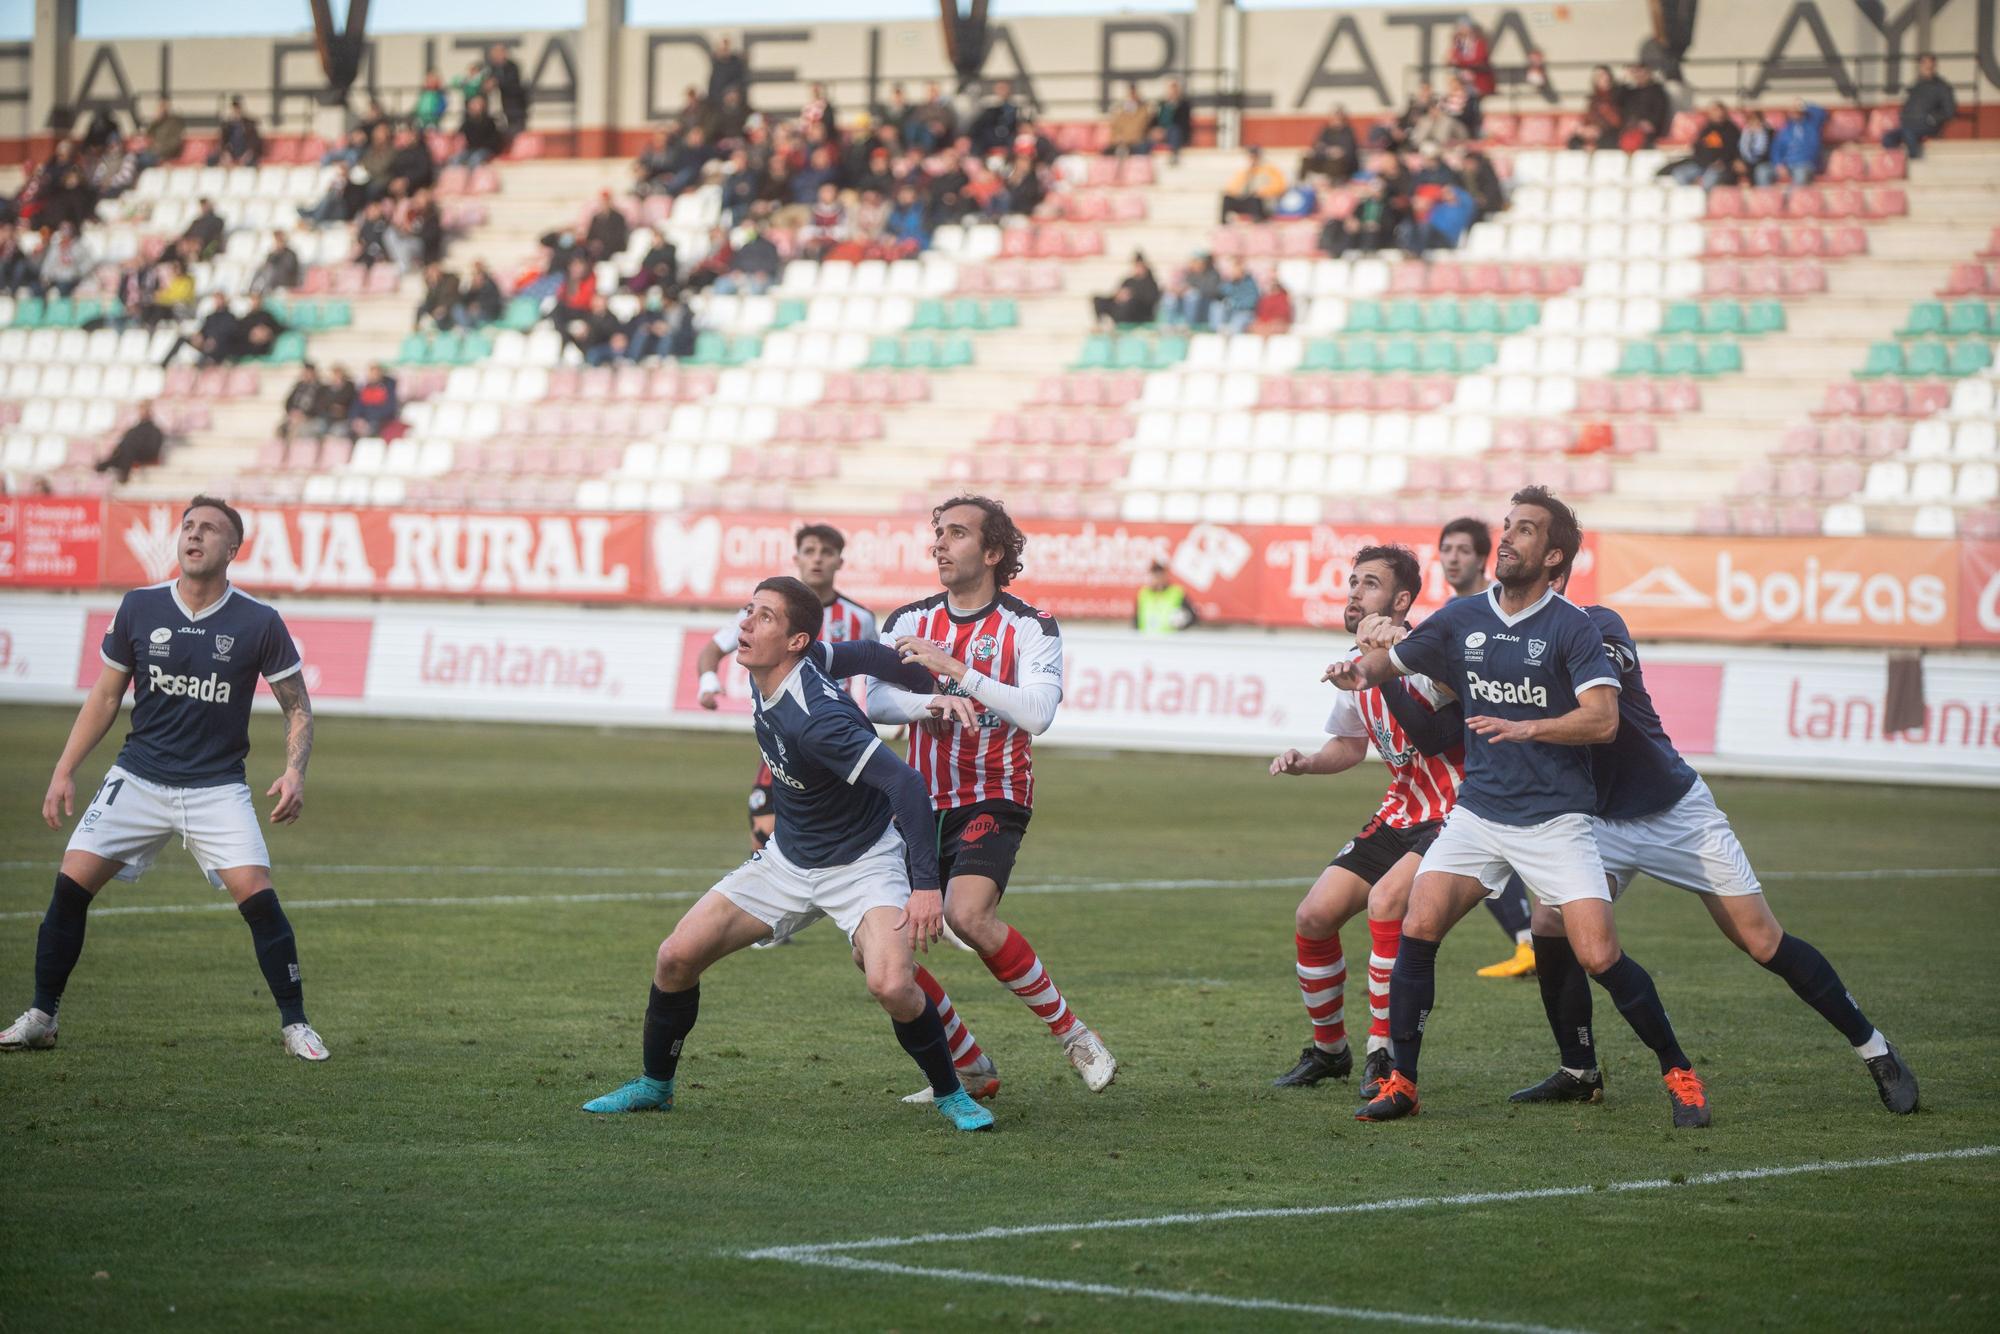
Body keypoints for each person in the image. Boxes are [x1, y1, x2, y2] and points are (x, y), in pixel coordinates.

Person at [1384, 571, 1920, 1117]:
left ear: (1557, 573)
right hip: (1591, 817)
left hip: (1671, 811)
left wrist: (1460, 661)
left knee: (1761, 940)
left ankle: (1874, 1048)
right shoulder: (1499, 638)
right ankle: (1579, 1071)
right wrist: (1408, 655)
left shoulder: (1597, 626)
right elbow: (1452, 709)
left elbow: (1581, 704)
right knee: (1550, 923)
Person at [1330, 487, 1711, 1129]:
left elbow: (1603, 720)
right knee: (1417, 924)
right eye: (1507, 525)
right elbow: (1389, 665)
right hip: (1479, 813)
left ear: (1553, 555)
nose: (1506, 537)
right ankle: (1402, 1082)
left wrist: (1528, 727)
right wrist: (1368, 655)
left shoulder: (1573, 626)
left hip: (1555, 820)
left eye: (1525, 529)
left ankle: (1679, 1073)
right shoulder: (1462, 617)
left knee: (1599, 956)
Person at [579, 578, 996, 1133]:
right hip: (787, 861)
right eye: (749, 610)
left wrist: (924, 887)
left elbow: (906, 786)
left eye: (765, 617)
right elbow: (868, 653)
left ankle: (952, 1094)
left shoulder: (820, 718)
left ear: (795, 641)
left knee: (892, 985)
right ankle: (656, 1087)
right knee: (675, 957)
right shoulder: (788, 662)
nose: (746, 624)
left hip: (863, 864)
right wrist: (927, 685)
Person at [3, 497, 326, 1062]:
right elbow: (106, 697)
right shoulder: (140, 606)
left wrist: (294, 772)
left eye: (209, 529)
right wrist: (63, 769)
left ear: (233, 549)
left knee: (258, 898)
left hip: (217, 787)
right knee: (70, 886)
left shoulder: (259, 621)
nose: (194, 535)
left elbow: (297, 706)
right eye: (188, 526)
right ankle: (41, 1017)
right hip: (139, 777)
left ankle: (295, 1024)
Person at [868, 496, 1119, 1102]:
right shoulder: (906, 620)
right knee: (874, 949)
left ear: (993, 552)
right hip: (918, 802)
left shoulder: (1031, 625)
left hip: (994, 792)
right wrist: (928, 701)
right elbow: (874, 700)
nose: (940, 544)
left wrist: (956, 671)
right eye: (938, 532)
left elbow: (1038, 713)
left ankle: (1075, 1035)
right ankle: (970, 1066)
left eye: (957, 533)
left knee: (967, 914)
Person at [1268, 546, 1461, 1100]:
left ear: (1401, 601)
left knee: (1386, 903)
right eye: (1353, 582)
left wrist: (1383, 671)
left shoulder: (1429, 656)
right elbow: (1350, 745)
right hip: (1400, 811)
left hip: (1456, 812)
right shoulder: (1353, 660)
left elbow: (1438, 737)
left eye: (1370, 584)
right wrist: (1307, 762)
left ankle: (1384, 1051)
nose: (1354, 592)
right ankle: (1330, 1050)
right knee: (1313, 916)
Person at [698, 525, 878, 852]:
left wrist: (888, 707)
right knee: (763, 835)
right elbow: (712, 649)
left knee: (844, 834)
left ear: (840, 562)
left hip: (834, 737)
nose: (817, 559)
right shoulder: (759, 613)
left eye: (827, 552)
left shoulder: (860, 618)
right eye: (810, 551)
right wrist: (708, 683)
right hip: (782, 735)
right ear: (796, 558)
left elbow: (876, 664)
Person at [1436, 514, 1539, 978]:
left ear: (1483, 558)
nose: (1452, 558)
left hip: (1508, 751)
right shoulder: (1447, 614)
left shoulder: (1504, 607)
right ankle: (1529, 943)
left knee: (1496, 847)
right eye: (1446, 549)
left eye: (1463, 550)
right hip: (1467, 751)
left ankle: (1537, 942)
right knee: (1486, 850)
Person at [1883, 54, 1956, 159]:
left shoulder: (1942, 87)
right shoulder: (1915, 85)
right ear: (1920, 66)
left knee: (1908, 133)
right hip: (1908, 124)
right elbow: (1908, 106)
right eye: (1924, 64)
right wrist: (1903, 117)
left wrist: (1933, 119)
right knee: (1888, 138)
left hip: (1927, 126)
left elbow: (1950, 111)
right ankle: (1898, 161)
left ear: (1934, 66)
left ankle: (1915, 160)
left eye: (1930, 64)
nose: (1927, 67)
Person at [1673, 102, 1742, 189]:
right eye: (1715, 111)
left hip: (1719, 167)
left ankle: (1705, 196)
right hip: (1701, 164)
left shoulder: (1732, 130)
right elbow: (1698, 148)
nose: (1718, 114)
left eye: (1720, 111)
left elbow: (1733, 150)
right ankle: (1691, 195)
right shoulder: (1706, 129)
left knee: (1709, 180)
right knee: (1680, 174)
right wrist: (1701, 161)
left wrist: (1724, 162)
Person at [93, 402, 166, 482]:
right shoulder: (135, 428)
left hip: (145, 454)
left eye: (144, 410)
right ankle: (112, 464)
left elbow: (152, 447)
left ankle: (113, 467)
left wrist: (135, 445)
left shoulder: (154, 430)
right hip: (131, 453)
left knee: (127, 449)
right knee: (124, 450)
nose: (142, 412)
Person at [1092, 252, 1159, 328]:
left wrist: (1131, 296)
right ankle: (1103, 323)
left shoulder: (1150, 283)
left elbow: (1149, 301)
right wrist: (1119, 296)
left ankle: (1120, 325)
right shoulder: (1128, 281)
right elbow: (1117, 294)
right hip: (1121, 306)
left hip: (1138, 312)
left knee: (1130, 303)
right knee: (1098, 300)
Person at [1220, 146, 1285, 223]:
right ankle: (1224, 223)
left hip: (1262, 201)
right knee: (1227, 198)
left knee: (1255, 199)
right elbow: (1234, 186)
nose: (1253, 159)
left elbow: (1279, 187)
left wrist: (1263, 192)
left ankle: (1258, 221)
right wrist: (1232, 192)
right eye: (1251, 156)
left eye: (1254, 156)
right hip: (1247, 199)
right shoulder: (1245, 171)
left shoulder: (1270, 170)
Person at [1770, 101, 1827, 187]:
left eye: (1798, 111)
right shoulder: (1784, 130)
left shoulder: (1812, 125)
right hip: (1787, 165)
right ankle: (1765, 196)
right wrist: (1778, 164)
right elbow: (1775, 150)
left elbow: (1822, 113)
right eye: (1793, 112)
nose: (1795, 114)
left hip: (1806, 165)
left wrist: (1804, 104)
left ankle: (1793, 195)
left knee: (1800, 173)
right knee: (1763, 171)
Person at [1134, 559, 1198, 633]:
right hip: (1146, 638)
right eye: (1155, 574)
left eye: (1161, 574)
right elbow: (1136, 620)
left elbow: (1192, 617)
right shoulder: (1143, 594)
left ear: (1166, 575)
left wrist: (1181, 625)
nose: (1158, 577)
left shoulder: (1177, 593)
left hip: (1170, 638)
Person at [1302, 108, 1359, 184]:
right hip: (1325, 159)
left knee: (1334, 160)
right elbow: (1318, 145)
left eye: (1338, 119)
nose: (1335, 121)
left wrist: (1338, 152)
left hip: (1344, 164)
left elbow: (1350, 150)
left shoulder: (1348, 132)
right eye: (1333, 119)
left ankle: (1332, 184)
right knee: (1307, 157)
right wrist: (1326, 150)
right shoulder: (1327, 131)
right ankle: (1302, 182)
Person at [486, 43, 530, 135]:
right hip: (499, 108)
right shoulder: (492, 68)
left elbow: (511, 82)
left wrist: (496, 82)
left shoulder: (513, 67)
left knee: (516, 132)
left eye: (497, 54)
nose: (494, 57)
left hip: (515, 107)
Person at [208, 97, 262, 168]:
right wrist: (225, 153)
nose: (236, 109)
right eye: (235, 107)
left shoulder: (249, 124)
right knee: (211, 160)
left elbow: (255, 143)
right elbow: (223, 141)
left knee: (251, 164)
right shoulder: (227, 125)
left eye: (238, 107)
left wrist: (248, 154)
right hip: (231, 152)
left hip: (245, 152)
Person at [451, 95, 504, 167]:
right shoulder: (467, 122)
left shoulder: (489, 122)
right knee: (456, 159)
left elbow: (494, 141)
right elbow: (460, 134)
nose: (475, 106)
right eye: (473, 104)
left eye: (478, 104)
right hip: (471, 149)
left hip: (486, 149)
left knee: (475, 159)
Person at [350, 363, 399, 437]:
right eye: (372, 374)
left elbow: (390, 408)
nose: (373, 376)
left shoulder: (388, 388)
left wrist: (371, 418)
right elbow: (357, 405)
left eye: (376, 373)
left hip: (381, 422)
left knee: (368, 430)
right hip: (364, 421)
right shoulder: (364, 389)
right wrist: (356, 418)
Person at [1152, 79, 1193, 164]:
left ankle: (1174, 154)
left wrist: (1165, 131)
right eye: (1171, 89)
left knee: (1174, 130)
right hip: (1161, 132)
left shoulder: (1184, 104)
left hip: (1177, 133)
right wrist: (1156, 129)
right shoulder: (1161, 104)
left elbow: (1183, 122)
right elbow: (1155, 120)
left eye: (1174, 89)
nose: (1172, 92)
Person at [1107, 82, 1152, 159]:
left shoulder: (1143, 111)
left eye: (1133, 94)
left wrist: (1126, 140)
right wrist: (1118, 139)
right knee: (1107, 152)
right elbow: (1115, 129)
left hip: (1135, 143)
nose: (1131, 97)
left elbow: (1140, 128)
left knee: (1141, 150)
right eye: (1130, 94)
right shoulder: (1121, 112)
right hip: (1121, 144)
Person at [250, 230, 300, 294]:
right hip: (273, 277)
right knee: (260, 269)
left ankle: (265, 291)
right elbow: (267, 263)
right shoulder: (273, 253)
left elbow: (288, 268)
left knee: (270, 271)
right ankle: (252, 290)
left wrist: (279, 254)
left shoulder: (290, 254)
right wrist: (276, 253)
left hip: (285, 279)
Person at [140, 97, 186, 168]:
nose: (160, 109)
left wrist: (159, 151)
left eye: (162, 107)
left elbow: (175, 143)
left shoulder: (175, 122)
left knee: (144, 160)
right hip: (153, 152)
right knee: (133, 156)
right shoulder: (158, 122)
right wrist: (156, 120)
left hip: (165, 154)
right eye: (159, 107)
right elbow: (148, 133)